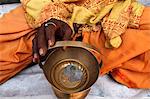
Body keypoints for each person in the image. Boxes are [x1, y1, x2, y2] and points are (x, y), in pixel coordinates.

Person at [0, 0, 150, 88]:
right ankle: (58, 40)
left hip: (107, 13)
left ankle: (80, 41)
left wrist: (81, 27)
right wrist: (51, 18)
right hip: (49, 6)